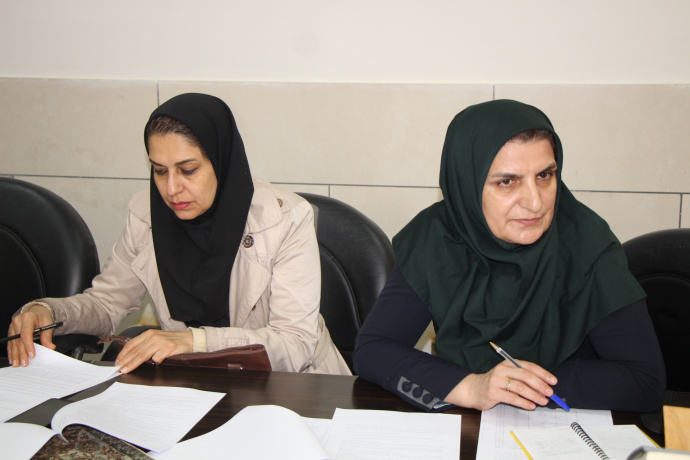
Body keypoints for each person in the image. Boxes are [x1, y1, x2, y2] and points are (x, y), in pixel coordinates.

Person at [353, 99, 665, 412]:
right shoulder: (437, 237)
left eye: (545, 175)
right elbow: (373, 349)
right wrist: (471, 387)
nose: (535, 202)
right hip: (465, 425)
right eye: (507, 182)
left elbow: (644, 381)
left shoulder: (587, 243)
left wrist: (518, 385)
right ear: (467, 185)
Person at [8, 93, 350, 376]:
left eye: (188, 170)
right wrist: (49, 312)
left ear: (221, 161)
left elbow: (294, 345)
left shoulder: (286, 219)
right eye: (159, 171)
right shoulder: (147, 215)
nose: (171, 189)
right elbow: (107, 304)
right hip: (193, 385)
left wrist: (194, 341)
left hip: (296, 388)